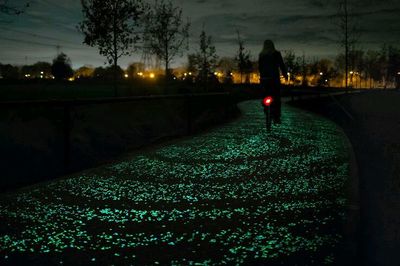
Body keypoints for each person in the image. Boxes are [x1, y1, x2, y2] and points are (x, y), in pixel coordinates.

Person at [258, 40, 288, 123]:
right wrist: (285, 75)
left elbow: (260, 67)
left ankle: (265, 108)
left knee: (264, 94)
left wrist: (262, 76)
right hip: (274, 79)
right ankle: (276, 117)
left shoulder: (261, 55)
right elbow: (281, 65)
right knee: (277, 97)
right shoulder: (276, 54)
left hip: (264, 79)